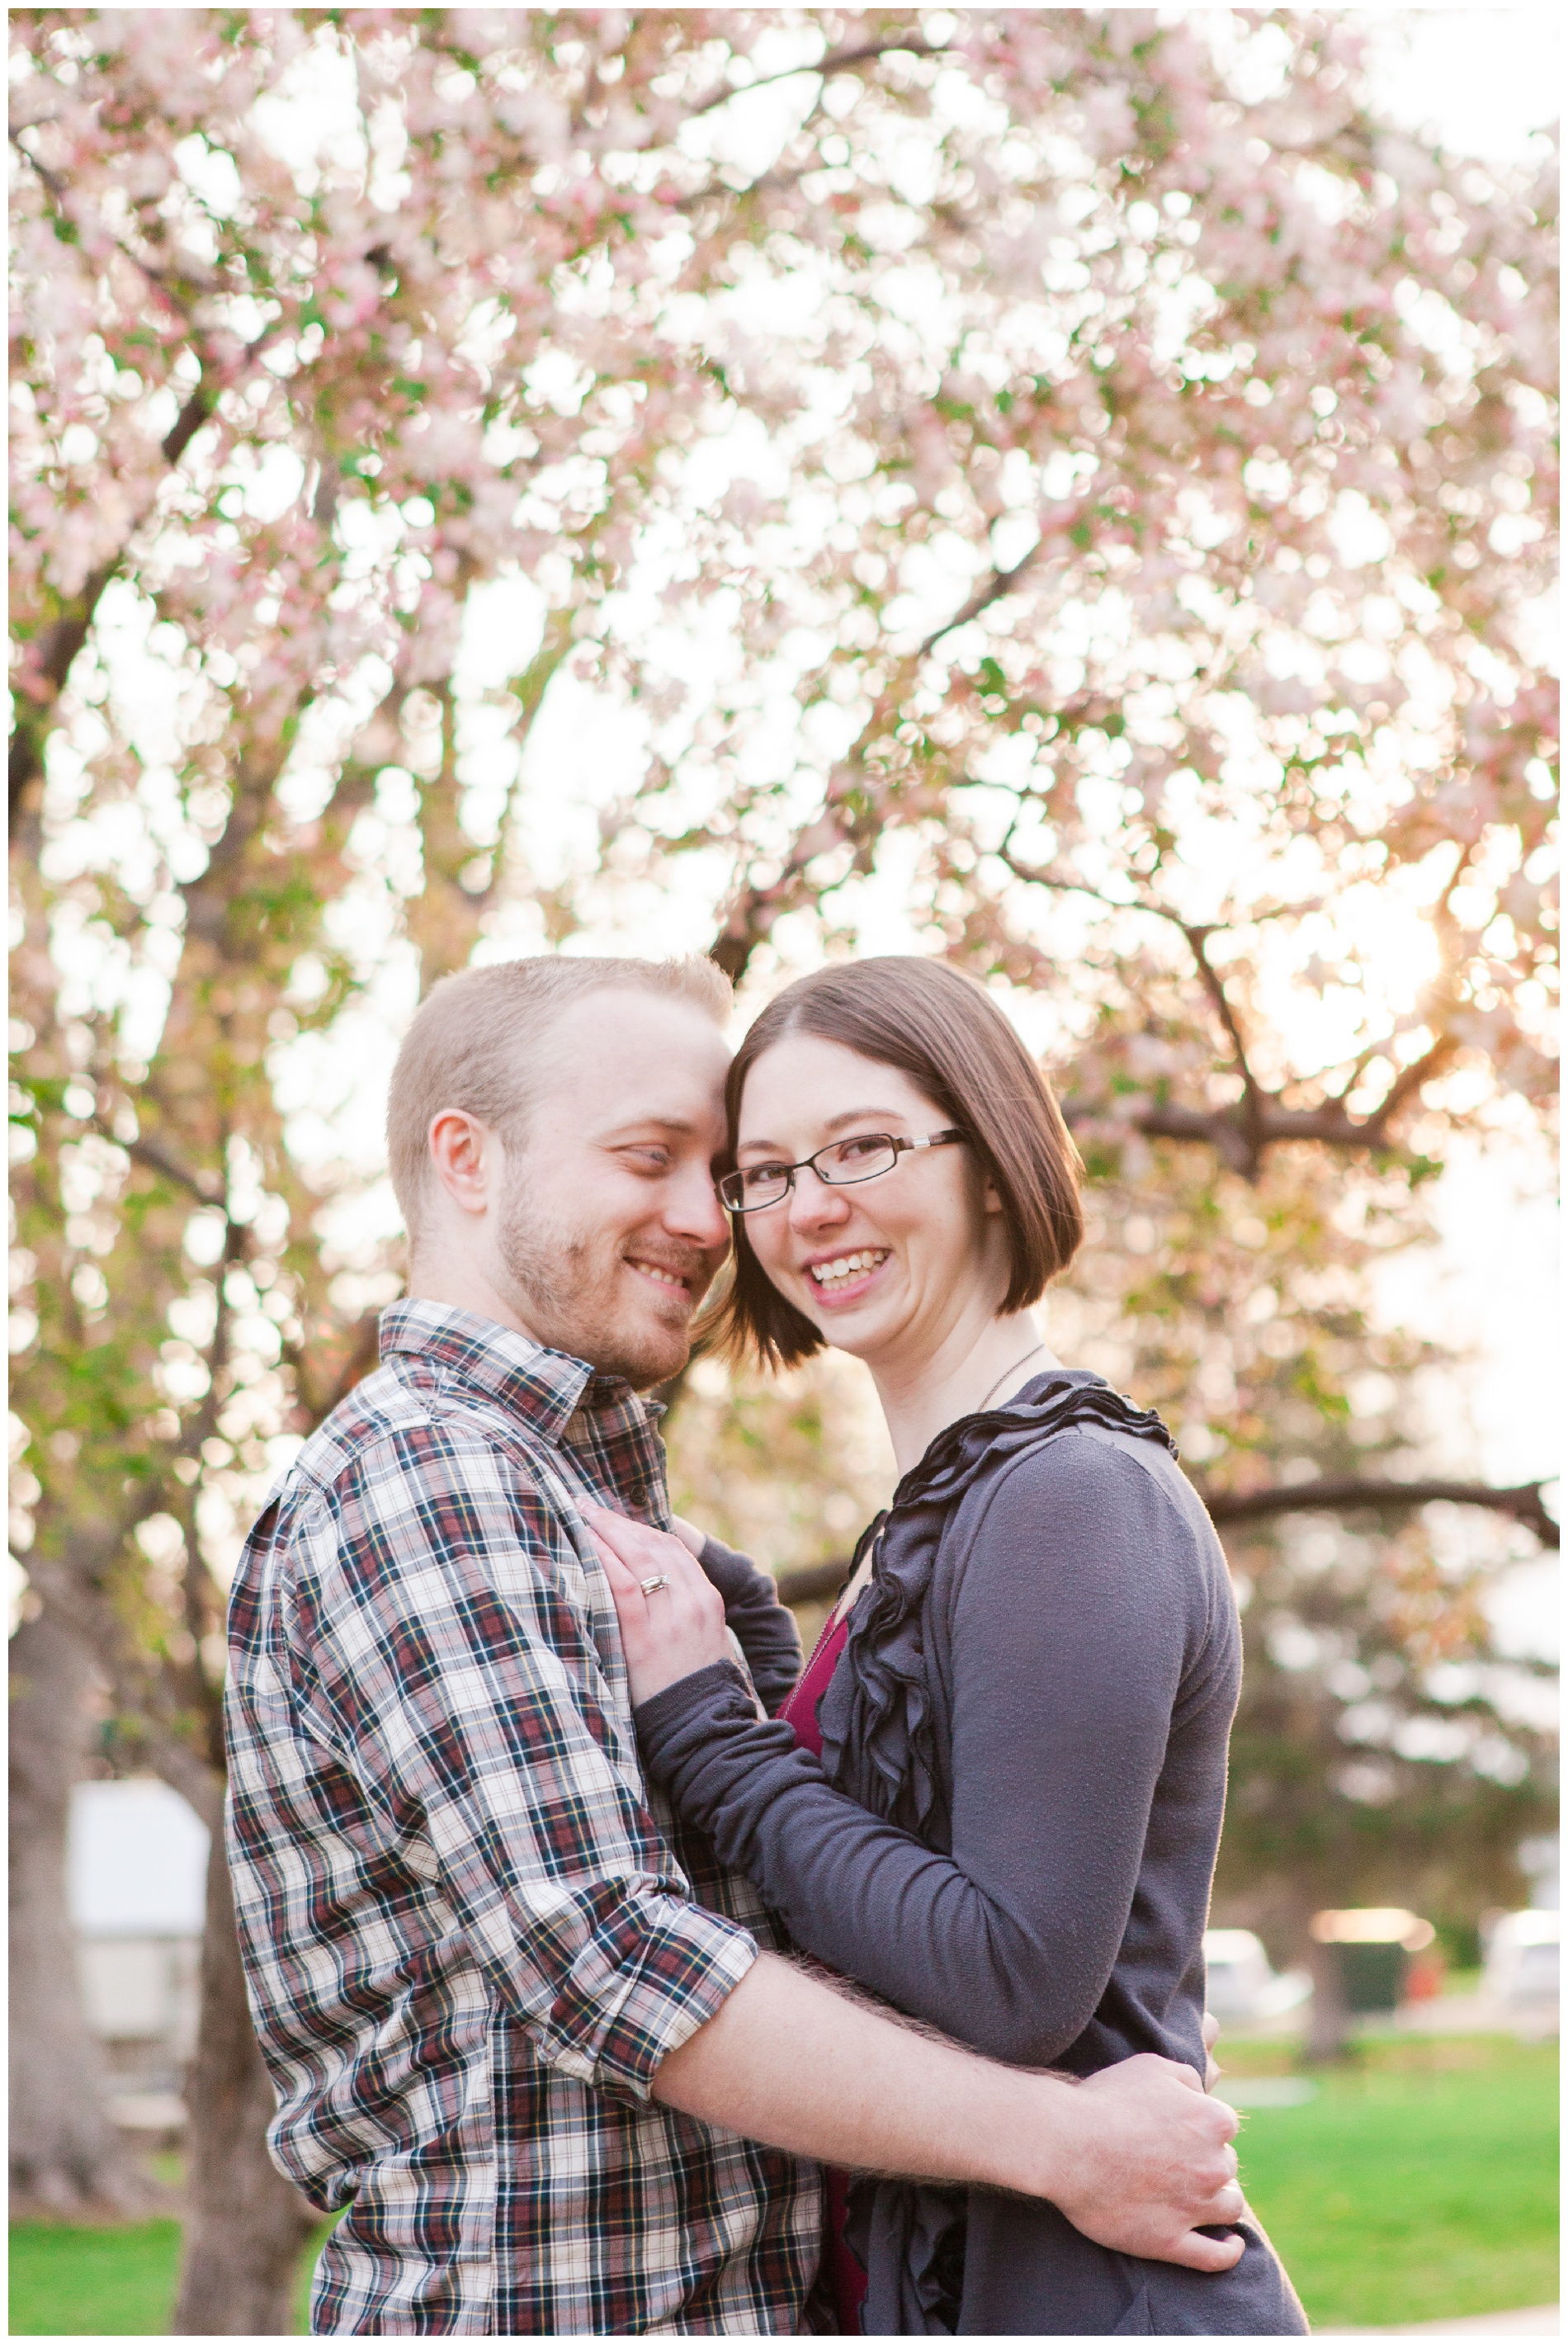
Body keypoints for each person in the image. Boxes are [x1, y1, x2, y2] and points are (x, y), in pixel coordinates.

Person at [224, 953, 1248, 2337]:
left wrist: (746, 1707)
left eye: (723, 1174)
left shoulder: (603, 1506)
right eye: (660, 1158)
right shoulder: (432, 1477)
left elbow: (903, 1924)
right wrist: (1062, 2143)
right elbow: (610, 1952)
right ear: (465, 1162)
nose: (716, 1220)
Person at [588, 955, 1309, 2336]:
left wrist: (710, 1735)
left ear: (989, 1159)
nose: (812, 1209)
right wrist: (747, 1638)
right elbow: (880, 1874)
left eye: (863, 1146)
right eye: (768, 1171)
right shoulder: (944, 1513)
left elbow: (1010, 1979)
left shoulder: (1068, 1494)